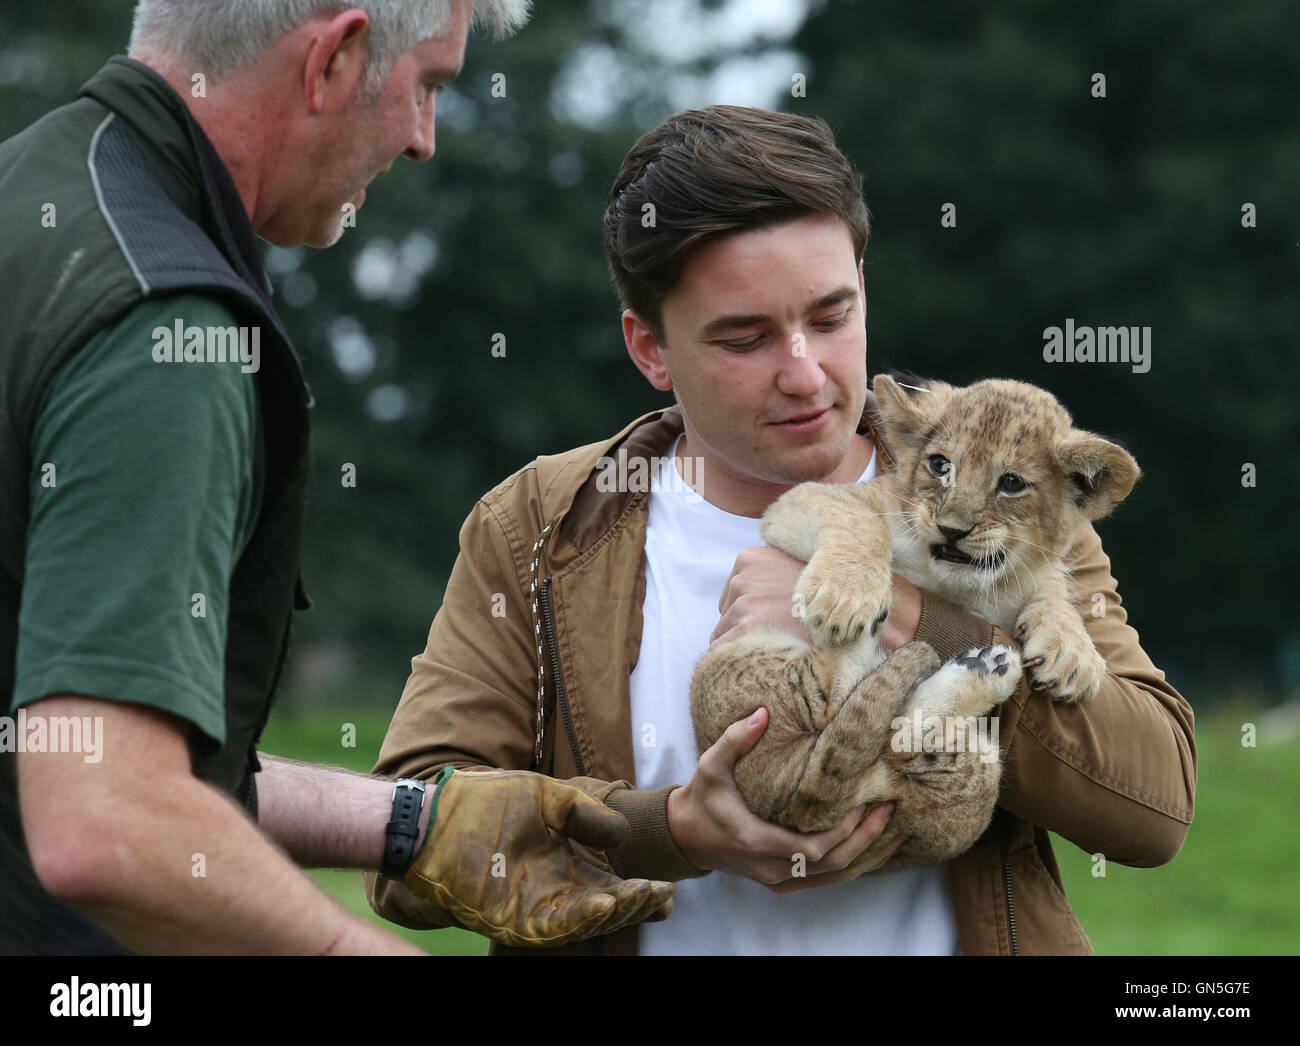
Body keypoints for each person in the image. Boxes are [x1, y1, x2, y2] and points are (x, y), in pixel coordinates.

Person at [364, 104, 1197, 955]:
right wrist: (669, 833)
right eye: (745, 337)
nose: (804, 374)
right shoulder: (539, 526)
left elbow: (1155, 806)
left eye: (831, 318)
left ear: (865, 288)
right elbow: (403, 835)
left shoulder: (1002, 515)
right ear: (650, 348)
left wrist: (912, 614)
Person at [0, 0, 672, 957]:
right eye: (428, 87)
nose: (423, 142)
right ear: (336, 59)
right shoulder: (163, 335)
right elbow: (104, 823)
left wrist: (411, 825)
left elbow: (67, 745)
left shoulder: (31, 196)